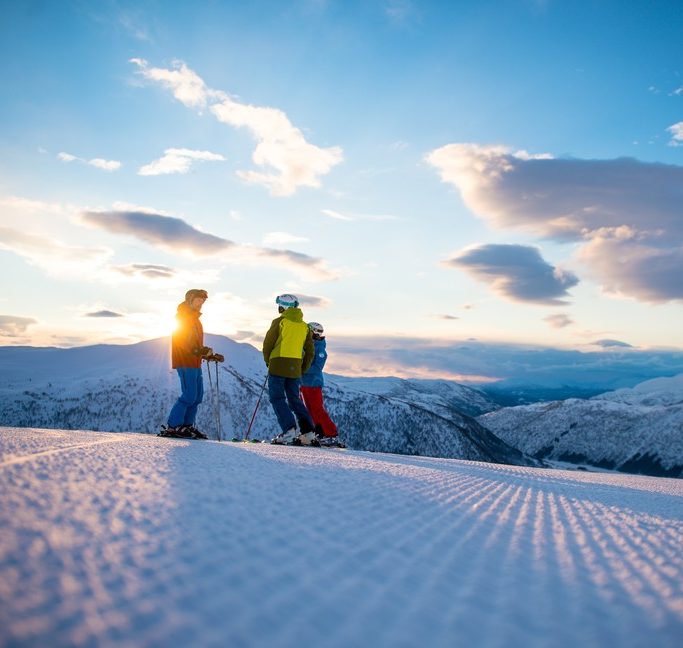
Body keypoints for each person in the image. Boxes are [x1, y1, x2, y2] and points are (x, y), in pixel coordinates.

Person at [262, 294, 316, 445]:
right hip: (295, 368)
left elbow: (268, 345)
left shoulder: (280, 322)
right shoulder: (305, 327)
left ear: (283, 307)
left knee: (277, 398)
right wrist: (302, 368)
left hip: (278, 364)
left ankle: (289, 431)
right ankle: (308, 433)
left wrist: (268, 362)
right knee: (294, 399)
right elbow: (310, 351)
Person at [160, 289, 214, 439]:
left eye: (202, 301)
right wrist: (200, 350)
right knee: (189, 395)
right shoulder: (183, 317)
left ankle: (186, 426)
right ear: (190, 300)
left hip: (195, 362)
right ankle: (173, 426)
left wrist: (207, 353)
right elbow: (183, 341)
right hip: (185, 361)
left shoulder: (195, 319)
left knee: (197, 397)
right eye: (198, 300)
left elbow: (194, 343)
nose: (201, 303)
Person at [300, 322, 338, 445]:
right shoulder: (307, 345)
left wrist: (302, 369)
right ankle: (319, 432)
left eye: (308, 331)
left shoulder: (320, 349)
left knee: (317, 409)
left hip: (313, 384)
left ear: (314, 332)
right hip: (304, 383)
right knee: (310, 410)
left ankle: (331, 433)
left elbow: (317, 367)